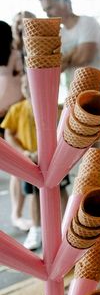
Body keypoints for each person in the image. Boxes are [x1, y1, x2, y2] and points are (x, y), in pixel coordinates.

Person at [39, 0, 100, 226]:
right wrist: (70, 56)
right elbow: (54, 65)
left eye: (50, 7)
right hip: (79, 99)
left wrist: (66, 58)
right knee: (92, 155)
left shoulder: (87, 22)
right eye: (45, 10)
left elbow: (85, 55)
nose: (47, 13)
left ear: (65, 3)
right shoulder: (57, 33)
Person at [2, 74, 69, 250]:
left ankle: (67, 225)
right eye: (23, 84)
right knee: (34, 195)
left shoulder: (53, 108)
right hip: (29, 161)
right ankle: (37, 229)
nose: (26, 87)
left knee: (61, 189)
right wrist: (24, 152)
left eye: (29, 83)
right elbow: (9, 134)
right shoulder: (16, 109)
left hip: (53, 159)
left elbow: (62, 131)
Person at [0, 20, 26, 231]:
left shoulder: (15, 56)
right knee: (15, 169)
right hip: (8, 114)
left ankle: (17, 214)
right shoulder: (15, 56)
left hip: (13, 115)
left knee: (17, 168)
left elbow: (22, 84)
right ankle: (16, 214)